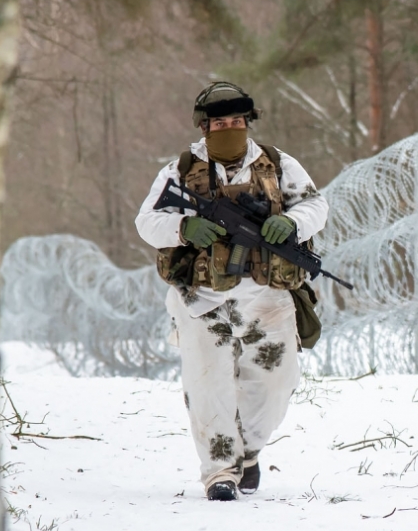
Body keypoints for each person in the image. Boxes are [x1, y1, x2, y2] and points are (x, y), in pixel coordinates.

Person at [135, 82, 328, 500]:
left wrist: (292, 223)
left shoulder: (277, 164)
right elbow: (146, 221)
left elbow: (316, 205)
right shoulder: (180, 171)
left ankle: (249, 452)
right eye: (220, 123)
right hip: (200, 298)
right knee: (208, 385)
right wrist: (183, 227)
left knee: (277, 381)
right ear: (204, 126)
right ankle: (220, 471)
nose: (229, 129)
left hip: (266, 295)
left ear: (248, 122)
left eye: (237, 121)